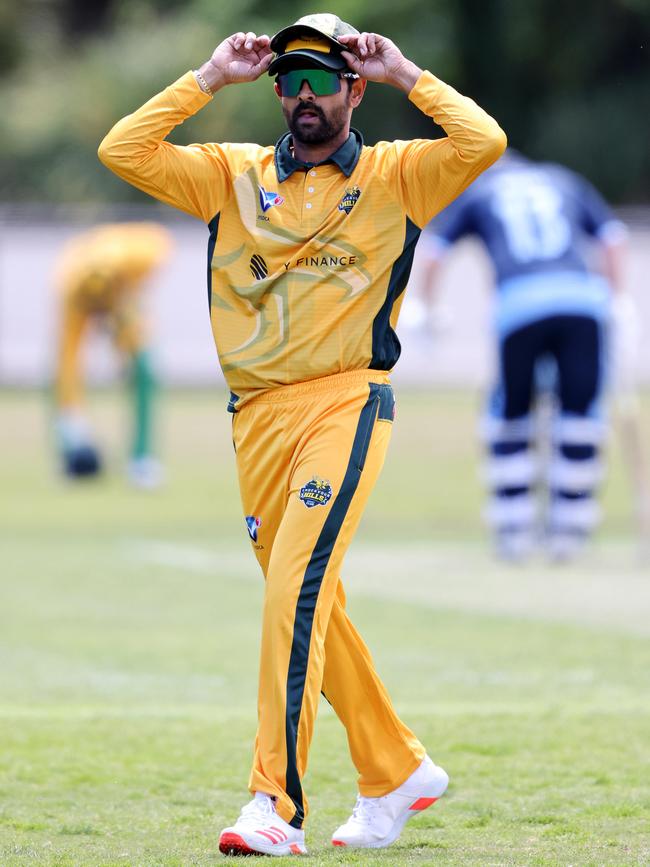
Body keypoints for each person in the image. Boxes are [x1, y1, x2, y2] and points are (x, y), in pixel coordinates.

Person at [98, 12, 506, 856]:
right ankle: (396, 767)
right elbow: (123, 150)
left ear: (354, 88)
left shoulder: (401, 175)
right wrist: (209, 78)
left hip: (345, 402)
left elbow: (485, 140)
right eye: (291, 80)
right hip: (254, 420)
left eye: (323, 78)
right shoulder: (230, 175)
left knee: (293, 593)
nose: (305, 95)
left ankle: (273, 803)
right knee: (313, 602)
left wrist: (406, 74)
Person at [418, 150, 628, 561]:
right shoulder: (562, 177)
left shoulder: (479, 189)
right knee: (580, 417)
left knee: (511, 416)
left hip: (519, 307)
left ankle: (514, 528)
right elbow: (613, 238)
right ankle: (571, 530)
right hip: (582, 302)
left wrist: (428, 309)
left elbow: (434, 251)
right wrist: (619, 299)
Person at [53, 222, 172, 489]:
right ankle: (70, 442)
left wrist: (126, 324)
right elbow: (69, 361)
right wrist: (72, 421)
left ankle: (142, 457)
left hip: (123, 297)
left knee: (144, 367)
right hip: (94, 296)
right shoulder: (69, 282)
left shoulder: (139, 255)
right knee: (63, 368)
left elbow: (161, 248)